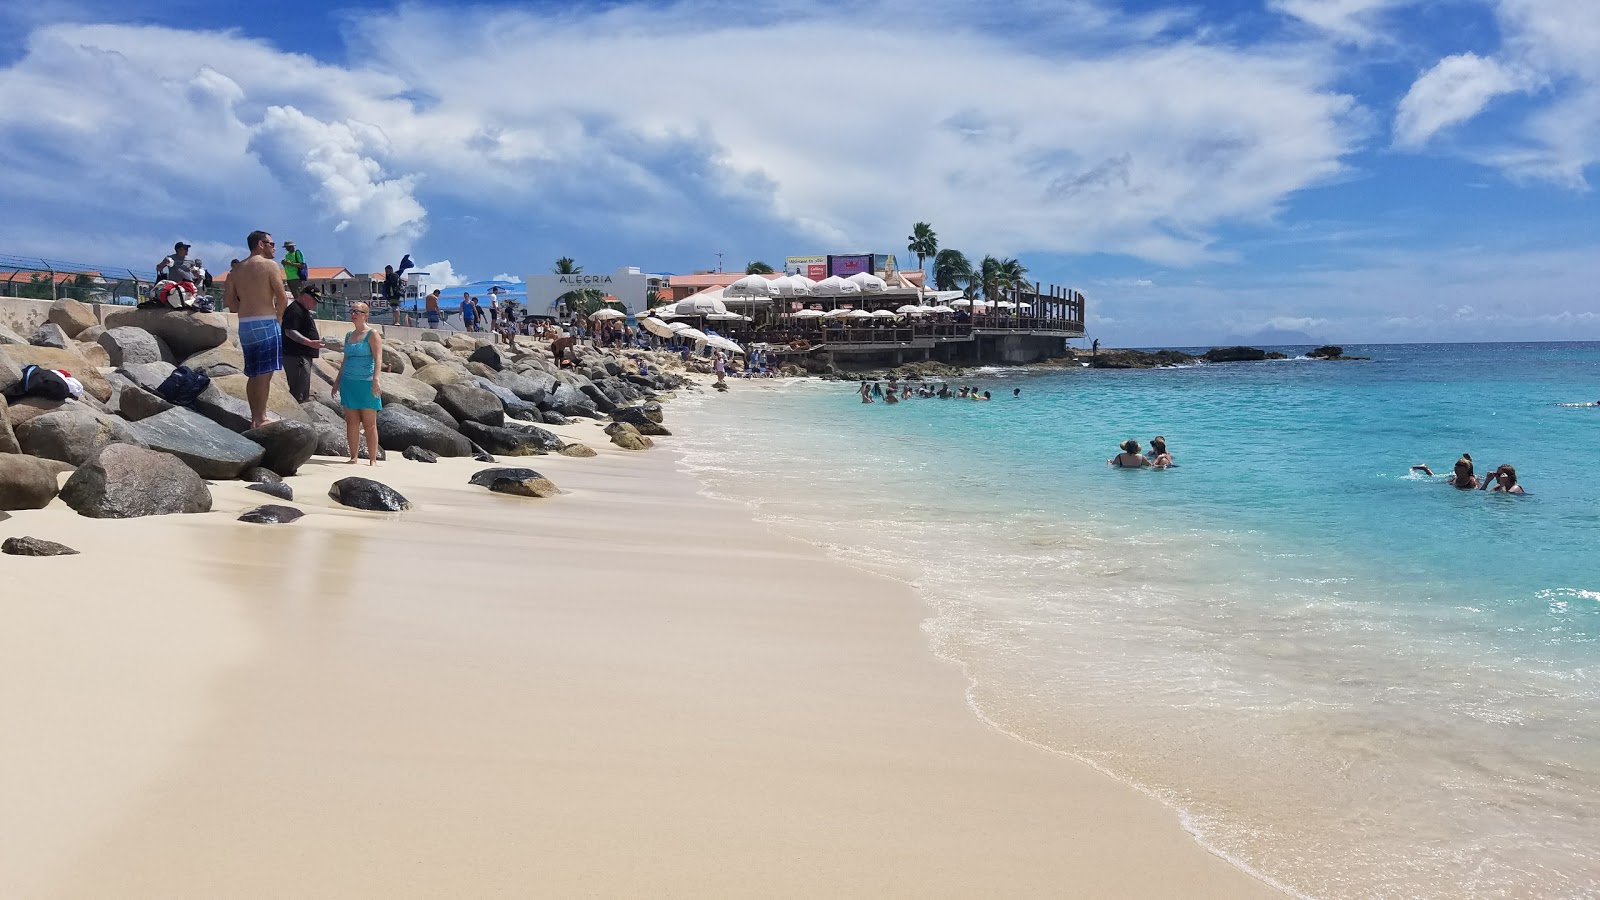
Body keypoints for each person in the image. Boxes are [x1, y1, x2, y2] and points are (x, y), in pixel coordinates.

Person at [222, 230, 288, 428]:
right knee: (265, 373)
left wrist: (243, 309)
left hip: (246, 324)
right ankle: (261, 417)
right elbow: (282, 297)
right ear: (260, 244)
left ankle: (254, 418)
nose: (274, 248)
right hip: (266, 321)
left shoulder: (236, 270)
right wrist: (278, 316)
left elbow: (229, 301)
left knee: (253, 373)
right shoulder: (269, 266)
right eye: (271, 243)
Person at [332, 302, 383, 466]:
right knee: (351, 422)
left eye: (357, 311)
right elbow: (345, 360)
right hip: (349, 383)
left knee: (369, 424)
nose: (353, 313)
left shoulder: (372, 334)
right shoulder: (349, 335)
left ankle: (373, 459)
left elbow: (378, 358)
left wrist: (376, 379)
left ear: (366, 315)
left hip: (366, 383)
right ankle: (353, 457)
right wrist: (337, 382)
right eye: (351, 310)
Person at [280, 285, 324, 403]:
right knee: (298, 391)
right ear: (305, 296)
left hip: (302, 356)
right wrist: (309, 342)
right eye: (313, 300)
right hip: (296, 357)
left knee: (303, 390)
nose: (315, 303)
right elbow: (289, 331)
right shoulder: (295, 310)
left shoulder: (303, 310)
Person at [1412, 454, 1478, 489]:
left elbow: (1481, 490)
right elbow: (1439, 482)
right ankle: (1425, 468)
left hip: (1469, 475)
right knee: (1434, 477)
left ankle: (1469, 460)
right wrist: (1426, 485)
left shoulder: (1472, 482)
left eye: (1459, 466)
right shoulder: (1455, 479)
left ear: (1466, 469)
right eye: (1456, 465)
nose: (1456, 468)